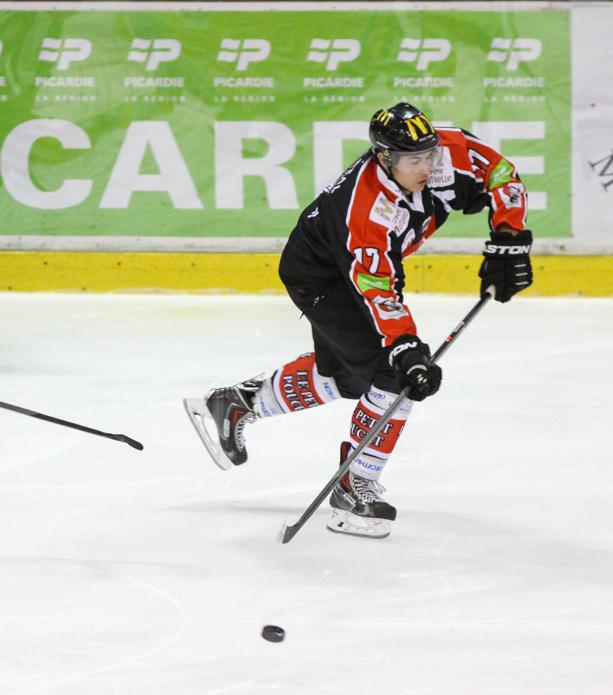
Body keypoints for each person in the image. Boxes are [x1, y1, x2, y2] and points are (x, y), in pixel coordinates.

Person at [184, 102, 533, 539]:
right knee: (392, 372)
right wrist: (405, 345)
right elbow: (376, 289)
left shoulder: (448, 151)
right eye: (413, 161)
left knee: (354, 380)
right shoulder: (367, 210)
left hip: (361, 265)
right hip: (322, 273)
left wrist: (510, 239)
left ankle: (238, 403)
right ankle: (353, 487)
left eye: (429, 155)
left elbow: (502, 177)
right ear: (384, 158)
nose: (426, 167)